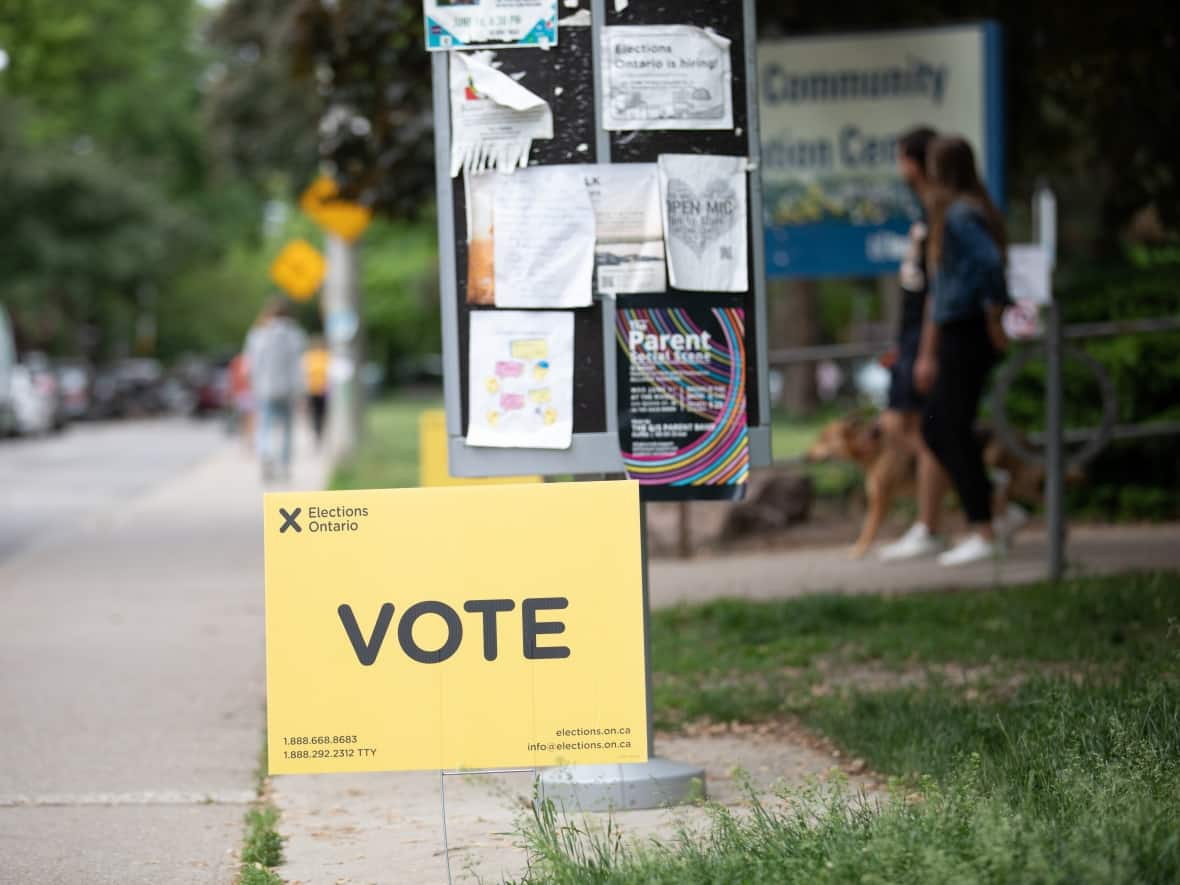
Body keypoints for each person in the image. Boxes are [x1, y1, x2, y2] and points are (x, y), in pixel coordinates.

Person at [913, 135, 1011, 566]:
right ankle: (994, 506)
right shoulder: (960, 210)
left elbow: (990, 264)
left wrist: (993, 316)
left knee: (948, 427)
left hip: (967, 329)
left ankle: (984, 528)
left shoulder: (960, 215)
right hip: (958, 328)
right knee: (940, 427)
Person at [878, 127, 954, 562]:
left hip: (923, 337)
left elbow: (937, 289)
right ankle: (975, 484)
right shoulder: (926, 210)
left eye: (901, 158)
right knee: (901, 426)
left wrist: (926, 349)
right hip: (910, 335)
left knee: (923, 431)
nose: (898, 167)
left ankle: (931, 523)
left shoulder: (940, 212)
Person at [246, 298, 307, 480]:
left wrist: (254, 385)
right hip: (288, 389)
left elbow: (252, 364)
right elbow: (299, 366)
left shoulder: (258, 334)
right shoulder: (295, 334)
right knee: (287, 429)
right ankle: (284, 464)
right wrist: (301, 391)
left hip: (264, 388)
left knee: (265, 426)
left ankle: (266, 454)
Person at [302, 336, 330, 448]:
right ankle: (318, 433)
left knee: (319, 414)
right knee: (317, 414)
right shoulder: (315, 357)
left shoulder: (321, 356)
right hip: (315, 390)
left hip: (320, 390)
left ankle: (319, 433)